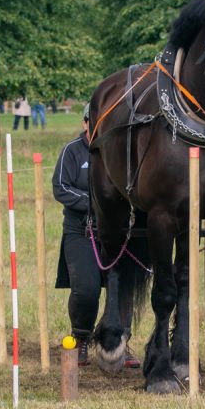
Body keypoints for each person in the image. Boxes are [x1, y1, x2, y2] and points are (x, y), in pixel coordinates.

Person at [52, 104, 139, 368]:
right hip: (82, 230)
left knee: (124, 288)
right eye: (94, 121)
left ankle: (118, 340)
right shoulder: (72, 151)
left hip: (120, 233)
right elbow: (60, 187)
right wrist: (96, 203)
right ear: (85, 123)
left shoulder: (121, 151)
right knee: (86, 289)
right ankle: (81, 338)